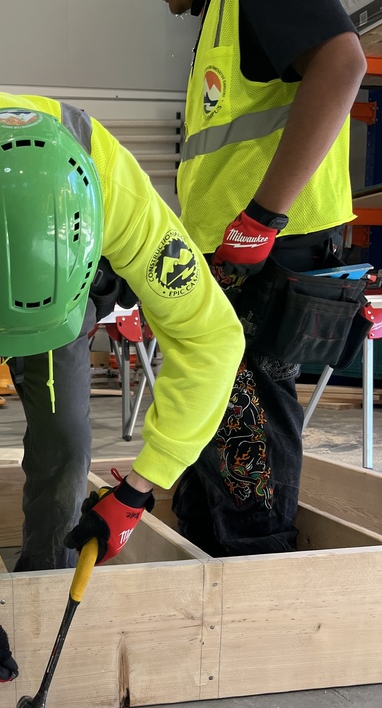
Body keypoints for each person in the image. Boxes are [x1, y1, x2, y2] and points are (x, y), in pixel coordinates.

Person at [0, 93, 245, 683]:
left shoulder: (113, 190)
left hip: (49, 286)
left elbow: (212, 337)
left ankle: (43, 576)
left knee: (66, 437)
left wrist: (140, 490)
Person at [163, 0, 367, 555]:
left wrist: (260, 220)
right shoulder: (218, 19)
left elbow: (343, 63)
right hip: (231, 254)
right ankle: (208, 555)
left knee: (245, 439)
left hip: (265, 249)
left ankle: (254, 569)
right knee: (214, 420)